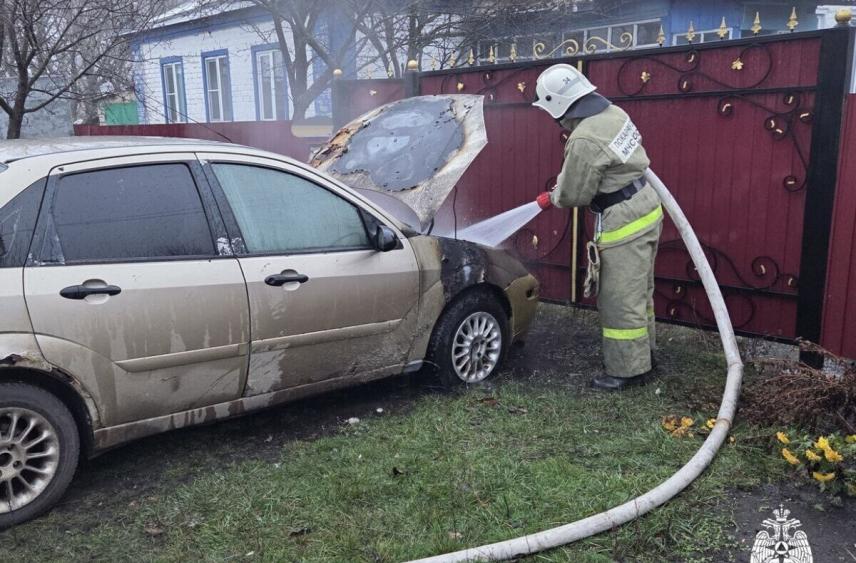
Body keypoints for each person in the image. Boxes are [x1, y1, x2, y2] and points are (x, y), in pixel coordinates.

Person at [532, 63, 663, 391]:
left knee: (619, 299)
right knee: (640, 292)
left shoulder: (584, 138)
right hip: (646, 208)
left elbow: (574, 194)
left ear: (558, 105)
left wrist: (554, 195)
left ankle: (627, 370)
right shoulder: (614, 113)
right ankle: (646, 355)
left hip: (623, 223)